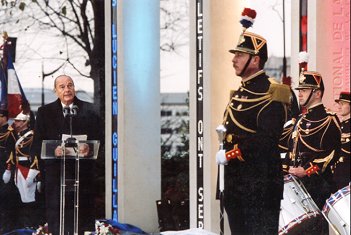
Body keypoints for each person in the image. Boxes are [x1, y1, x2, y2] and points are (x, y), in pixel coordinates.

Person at [215, 8, 291, 234]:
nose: (233, 59)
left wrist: (230, 154)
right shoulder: (239, 92)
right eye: (235, 54)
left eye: (239, 55)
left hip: (259, 184)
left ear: (255, 59)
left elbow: (266, 140)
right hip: (235, 183)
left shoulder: (273, 92)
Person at [32, 74, 101, 234]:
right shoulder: (44, 112)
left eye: (70, 85)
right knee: (58, 218)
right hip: (56, 176)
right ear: (55, 91)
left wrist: (89, 147)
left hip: (82, 175)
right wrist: (53, 150)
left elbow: (100, 137)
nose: (67, 89)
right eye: (62, 86)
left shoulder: (89, 110)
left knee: (82, 218)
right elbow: (36, 145)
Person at [281, 70, 341, 234]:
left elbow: (332, 154)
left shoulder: (329, 120)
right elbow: (290, 151)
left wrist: (307, 170)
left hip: (317, 188)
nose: (299, 94)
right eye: (299, 90)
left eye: (304, 90)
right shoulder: (300, 120)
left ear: (317, 93)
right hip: (297, 189)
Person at [3, 111, 44, 229]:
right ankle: (25, 225)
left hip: (28, 169)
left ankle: (33, 225)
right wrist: (9, 169)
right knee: (22, 198)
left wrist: (33, 172)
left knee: (29, 198)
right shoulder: (18, 135)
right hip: (19, 169)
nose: (15, 122)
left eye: (18, 121)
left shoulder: (31, 136)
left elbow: (35, 154)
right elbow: (12, 152)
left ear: (25, 122)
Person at [0, 109, 19, 233]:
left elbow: (12, 152)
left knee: (5, 198)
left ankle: (7, 227)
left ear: (6, 118)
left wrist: (8, 169)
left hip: (4, 168)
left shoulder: (10, 132)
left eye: (1, 116)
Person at [332, 91, 350, 190]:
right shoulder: (338, 125)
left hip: (347, 173)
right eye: (339, 104)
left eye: (342, 104)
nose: (339, 107)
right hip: (336, 172)